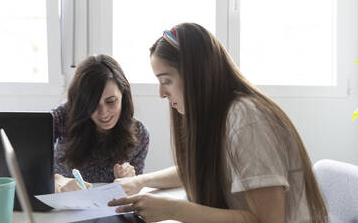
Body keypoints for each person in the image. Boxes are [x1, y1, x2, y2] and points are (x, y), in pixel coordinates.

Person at [108, 23, 328, 222]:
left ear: (195, 75)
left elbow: (267, 220)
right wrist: (141, 182)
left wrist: (175, 210)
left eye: (166, 81)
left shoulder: (246, 119)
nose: (161, 93)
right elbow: (195, 169)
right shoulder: (222, 115)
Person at [53, 54, 149, 193]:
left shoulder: (139, 134)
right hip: (62, 208)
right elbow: (28, 164)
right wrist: (56, 180)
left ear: (123, 94)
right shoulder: (62, 116)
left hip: (109, 209)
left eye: (111, 101)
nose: (103, 113)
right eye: (92, 104)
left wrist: (130, 180)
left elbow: (133, 194)